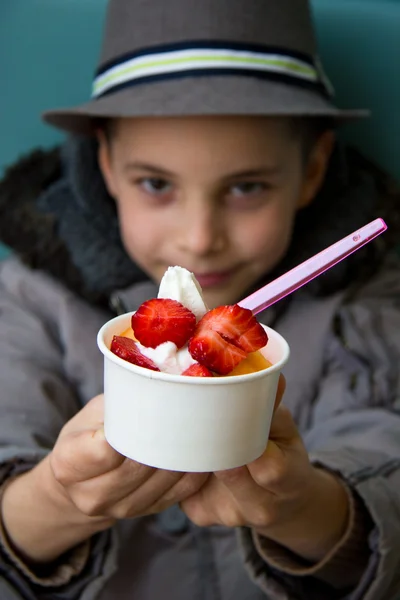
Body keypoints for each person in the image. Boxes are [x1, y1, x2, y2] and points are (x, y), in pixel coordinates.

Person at [0, 0, 399, 598]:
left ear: (313, 170)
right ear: (107, 165)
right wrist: (58, 500)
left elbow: (385, 468)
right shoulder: (29, 301)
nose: (199, 239)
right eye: (156, 184)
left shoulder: (365, 303)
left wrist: (302, 508)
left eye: (246, 187)